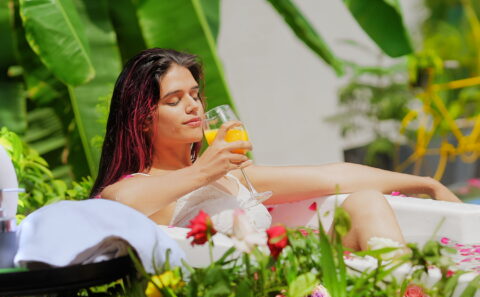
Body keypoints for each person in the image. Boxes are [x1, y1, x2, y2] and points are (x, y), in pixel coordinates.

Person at [90, 48, 461, 254]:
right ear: (142, 119)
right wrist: (204, 170)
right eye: (175, 99)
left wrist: (425, 183)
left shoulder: (230, 176)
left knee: (365, 201)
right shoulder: (141, 188)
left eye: (195, 95)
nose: (193, 106)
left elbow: (332, 175)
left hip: (287, 288)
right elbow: (117, 205)